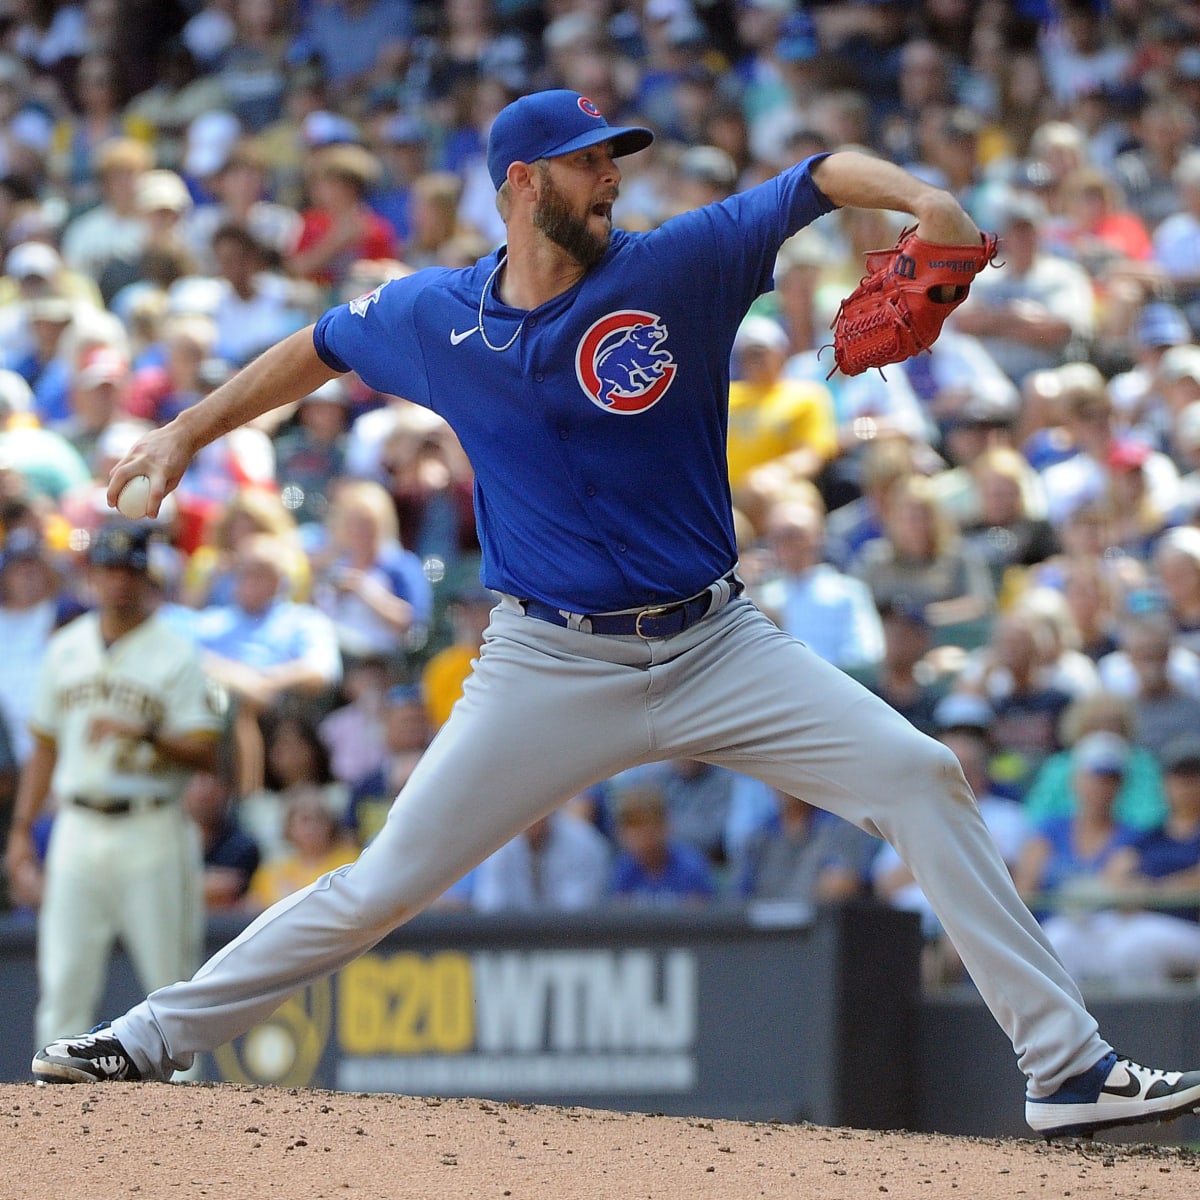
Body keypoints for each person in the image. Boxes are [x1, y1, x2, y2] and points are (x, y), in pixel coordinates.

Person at [37, 88, 1200, 1139]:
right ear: (523, 184)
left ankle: (1065, 1067)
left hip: (716, 644)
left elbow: (817, 175)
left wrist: (926, 197)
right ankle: (148, 1039)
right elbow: (318, 346)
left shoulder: (678, 264)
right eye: (592, 162)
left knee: (919, 775)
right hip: (546, 662)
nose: (614, 178)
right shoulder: (439, 317)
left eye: (616, 159)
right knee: (382, 881)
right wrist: (185, 432)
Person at [4, 520, 223, 1048]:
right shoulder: (66, 647)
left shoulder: (175, 651)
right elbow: (44, 746)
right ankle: (53, 1116)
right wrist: (20, 832)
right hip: (76, 825)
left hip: (150, 822)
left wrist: (147, 732)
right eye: (108, 569)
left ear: (147, 577)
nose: (118, 581)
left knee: (171, 987)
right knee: (63, 985)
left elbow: (206, 750)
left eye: (128, 570)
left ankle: (193, 1121)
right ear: (92, 575)